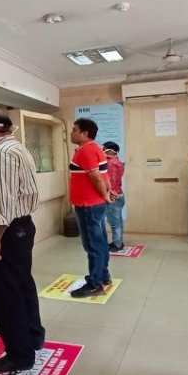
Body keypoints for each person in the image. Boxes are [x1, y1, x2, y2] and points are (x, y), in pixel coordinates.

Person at [0, 108, 45, 373]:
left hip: (6, 231)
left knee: (5, 294)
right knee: (22, 285)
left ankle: (19, 355)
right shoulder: (17, 148)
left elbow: (3, 201)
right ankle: (33, 337)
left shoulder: (1, 154)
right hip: (21, 227)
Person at [68, 118, 113, 298]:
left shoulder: (86, 150)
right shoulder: (95, 148)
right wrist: (107, 192)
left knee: (93, 246)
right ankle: (104, 276)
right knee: (100, 243)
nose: (71, 133)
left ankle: (95, 284)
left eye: (74, 130)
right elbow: (104, 174)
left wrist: (105, 194)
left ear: (84, 133)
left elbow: (96, 177)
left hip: (88, 206)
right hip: (95, 205)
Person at [102, 141, 126, 252]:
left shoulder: (111, 163)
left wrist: (109, 194)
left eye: (104, 149)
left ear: (111, 151)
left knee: (115, 223)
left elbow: (112, 182)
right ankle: (118, 242)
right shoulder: (118, 162)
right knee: (118, 221)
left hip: (113, 196)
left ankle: (117, 245)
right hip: (119, 194)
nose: (102, 151)